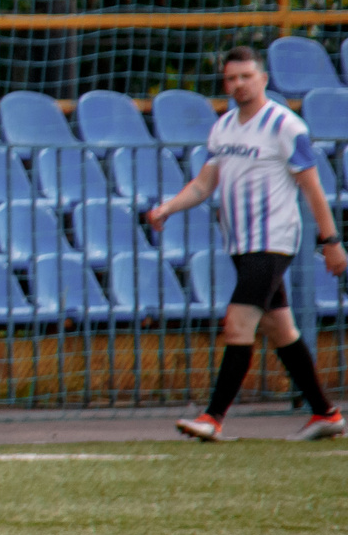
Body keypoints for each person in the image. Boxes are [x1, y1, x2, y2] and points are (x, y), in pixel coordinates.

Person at [147, 44, 348, 441]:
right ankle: (326, 414)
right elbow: (206, 183)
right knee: (281, 330)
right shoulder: (223, 127)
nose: (238, 85)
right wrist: (168, 208)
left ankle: (213, 417)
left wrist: (331, 241)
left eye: (246, 77)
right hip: (240, 243)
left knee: (238, 324)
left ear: (263, 79)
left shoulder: (285, 126)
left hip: (273, 241)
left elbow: (312, 188)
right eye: (231, 78)